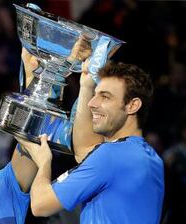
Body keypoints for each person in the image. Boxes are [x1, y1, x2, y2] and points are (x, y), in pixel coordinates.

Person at [18, 53, 165, 223]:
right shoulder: (148, 157)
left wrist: (43, 162)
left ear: (133, 105)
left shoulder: (111, 156)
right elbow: (85, 153)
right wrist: (86, 85)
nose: (92, 103)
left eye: (105, 96)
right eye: (95, 95)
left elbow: (40, 205)